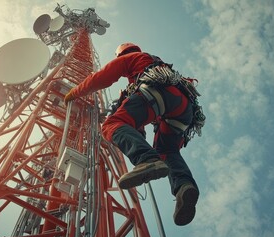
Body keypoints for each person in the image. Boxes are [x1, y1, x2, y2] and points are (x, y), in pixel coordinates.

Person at [64, 43, 203, 226]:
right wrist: (137, 134)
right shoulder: (152, 65)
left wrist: (74, 93)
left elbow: (101, 77)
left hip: (159, 93)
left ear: (121, 54)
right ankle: (184, 187)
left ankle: (146, 159)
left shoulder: (132, 60)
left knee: (112, 124)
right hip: (185, 108)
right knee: (167, 151)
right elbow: (138, 127)